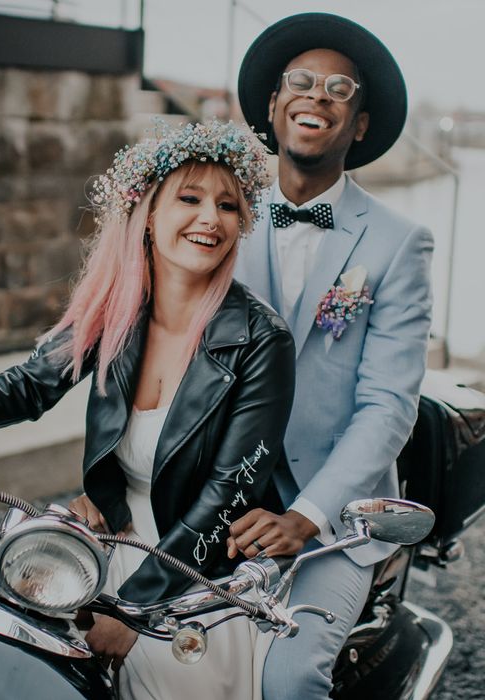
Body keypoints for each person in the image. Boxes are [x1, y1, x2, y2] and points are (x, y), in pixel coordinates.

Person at [0, 120, 296, 699]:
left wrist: (138, 608)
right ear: (147, 213)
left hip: (197, 570)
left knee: (157, 680)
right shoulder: (119, 308)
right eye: (189, 198)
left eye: (228, 205)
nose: (211, 218)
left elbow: (227, 495)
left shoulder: (261, 339)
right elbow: (31, 384)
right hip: (111, 532)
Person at [227, 13, 434, 700]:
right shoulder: (219, 219)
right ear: (273, 104)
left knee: (287, 678)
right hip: (218, 497)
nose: (317, 95)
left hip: (336, 521)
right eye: (302, 82)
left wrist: (305, 516)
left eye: (339, 88)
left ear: (361, 123)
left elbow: (388, 407)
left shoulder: (399, 242)